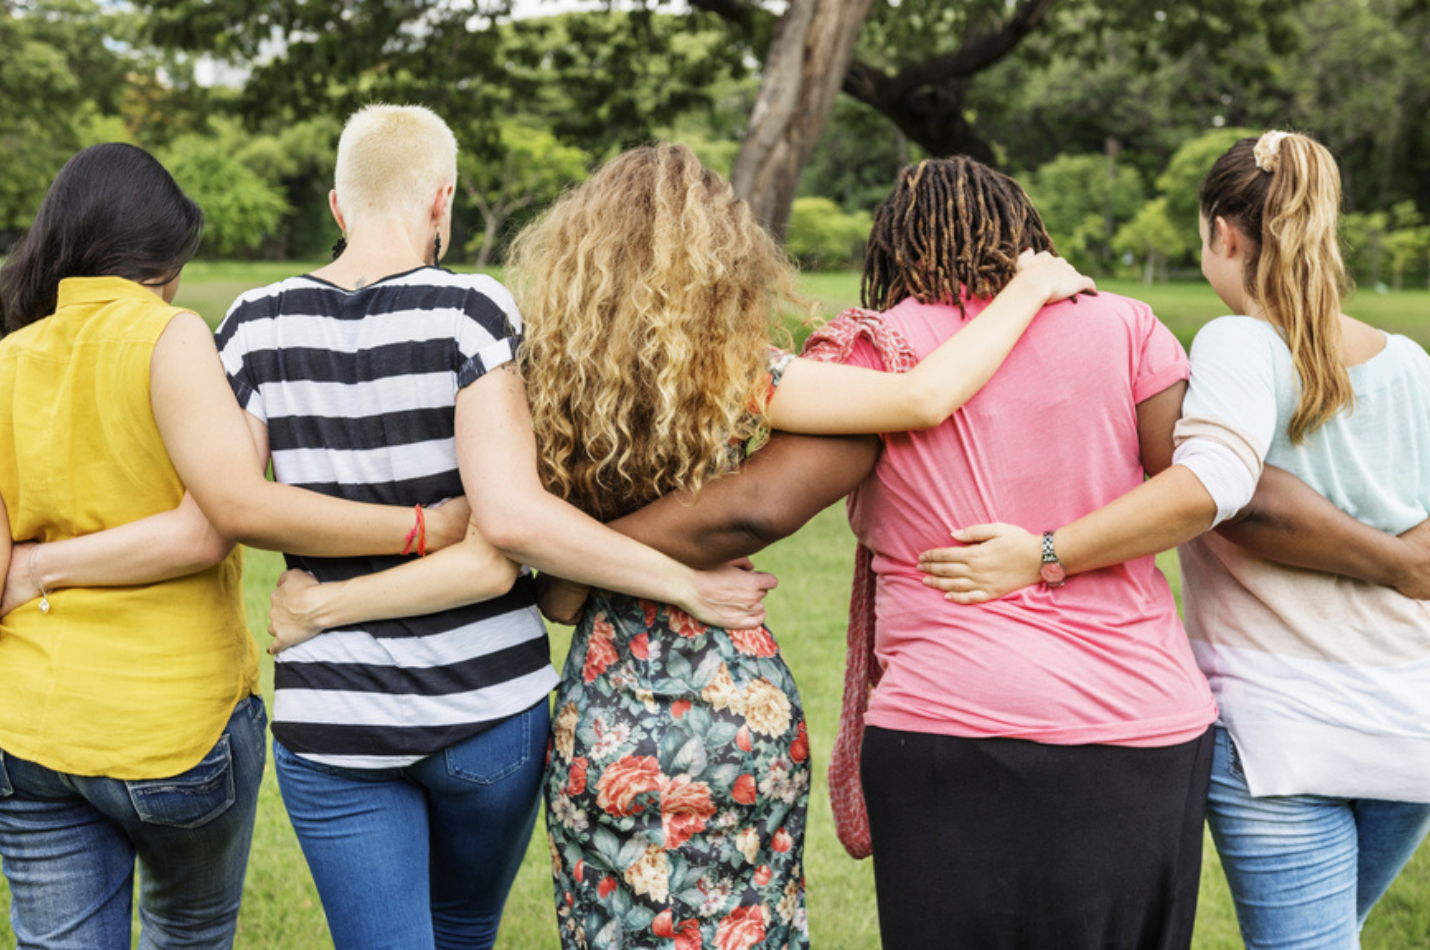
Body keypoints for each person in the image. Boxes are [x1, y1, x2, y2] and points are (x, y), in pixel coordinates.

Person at [263, 142, 1096, 950]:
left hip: (606, 706)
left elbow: (537, 564)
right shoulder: (733, 371)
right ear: (722, 253)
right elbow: (920, 398)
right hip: (734, 695)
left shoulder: (539, 378)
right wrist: (1026, 289)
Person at [919, 132, 1430, 949]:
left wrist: (1044, 552)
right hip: (1410, 724)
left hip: (1282, 731)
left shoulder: (1239, 343)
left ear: (1223, 234)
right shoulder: (1409, 363)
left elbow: (1215, 485)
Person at [0, 142, 475, 949]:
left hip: (29, 730)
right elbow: (213, 521)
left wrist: (42, 566)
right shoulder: (168, 335)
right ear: (161, 256)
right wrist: (420, 526)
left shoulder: (8, 357)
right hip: (172, 726)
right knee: (189, 931)